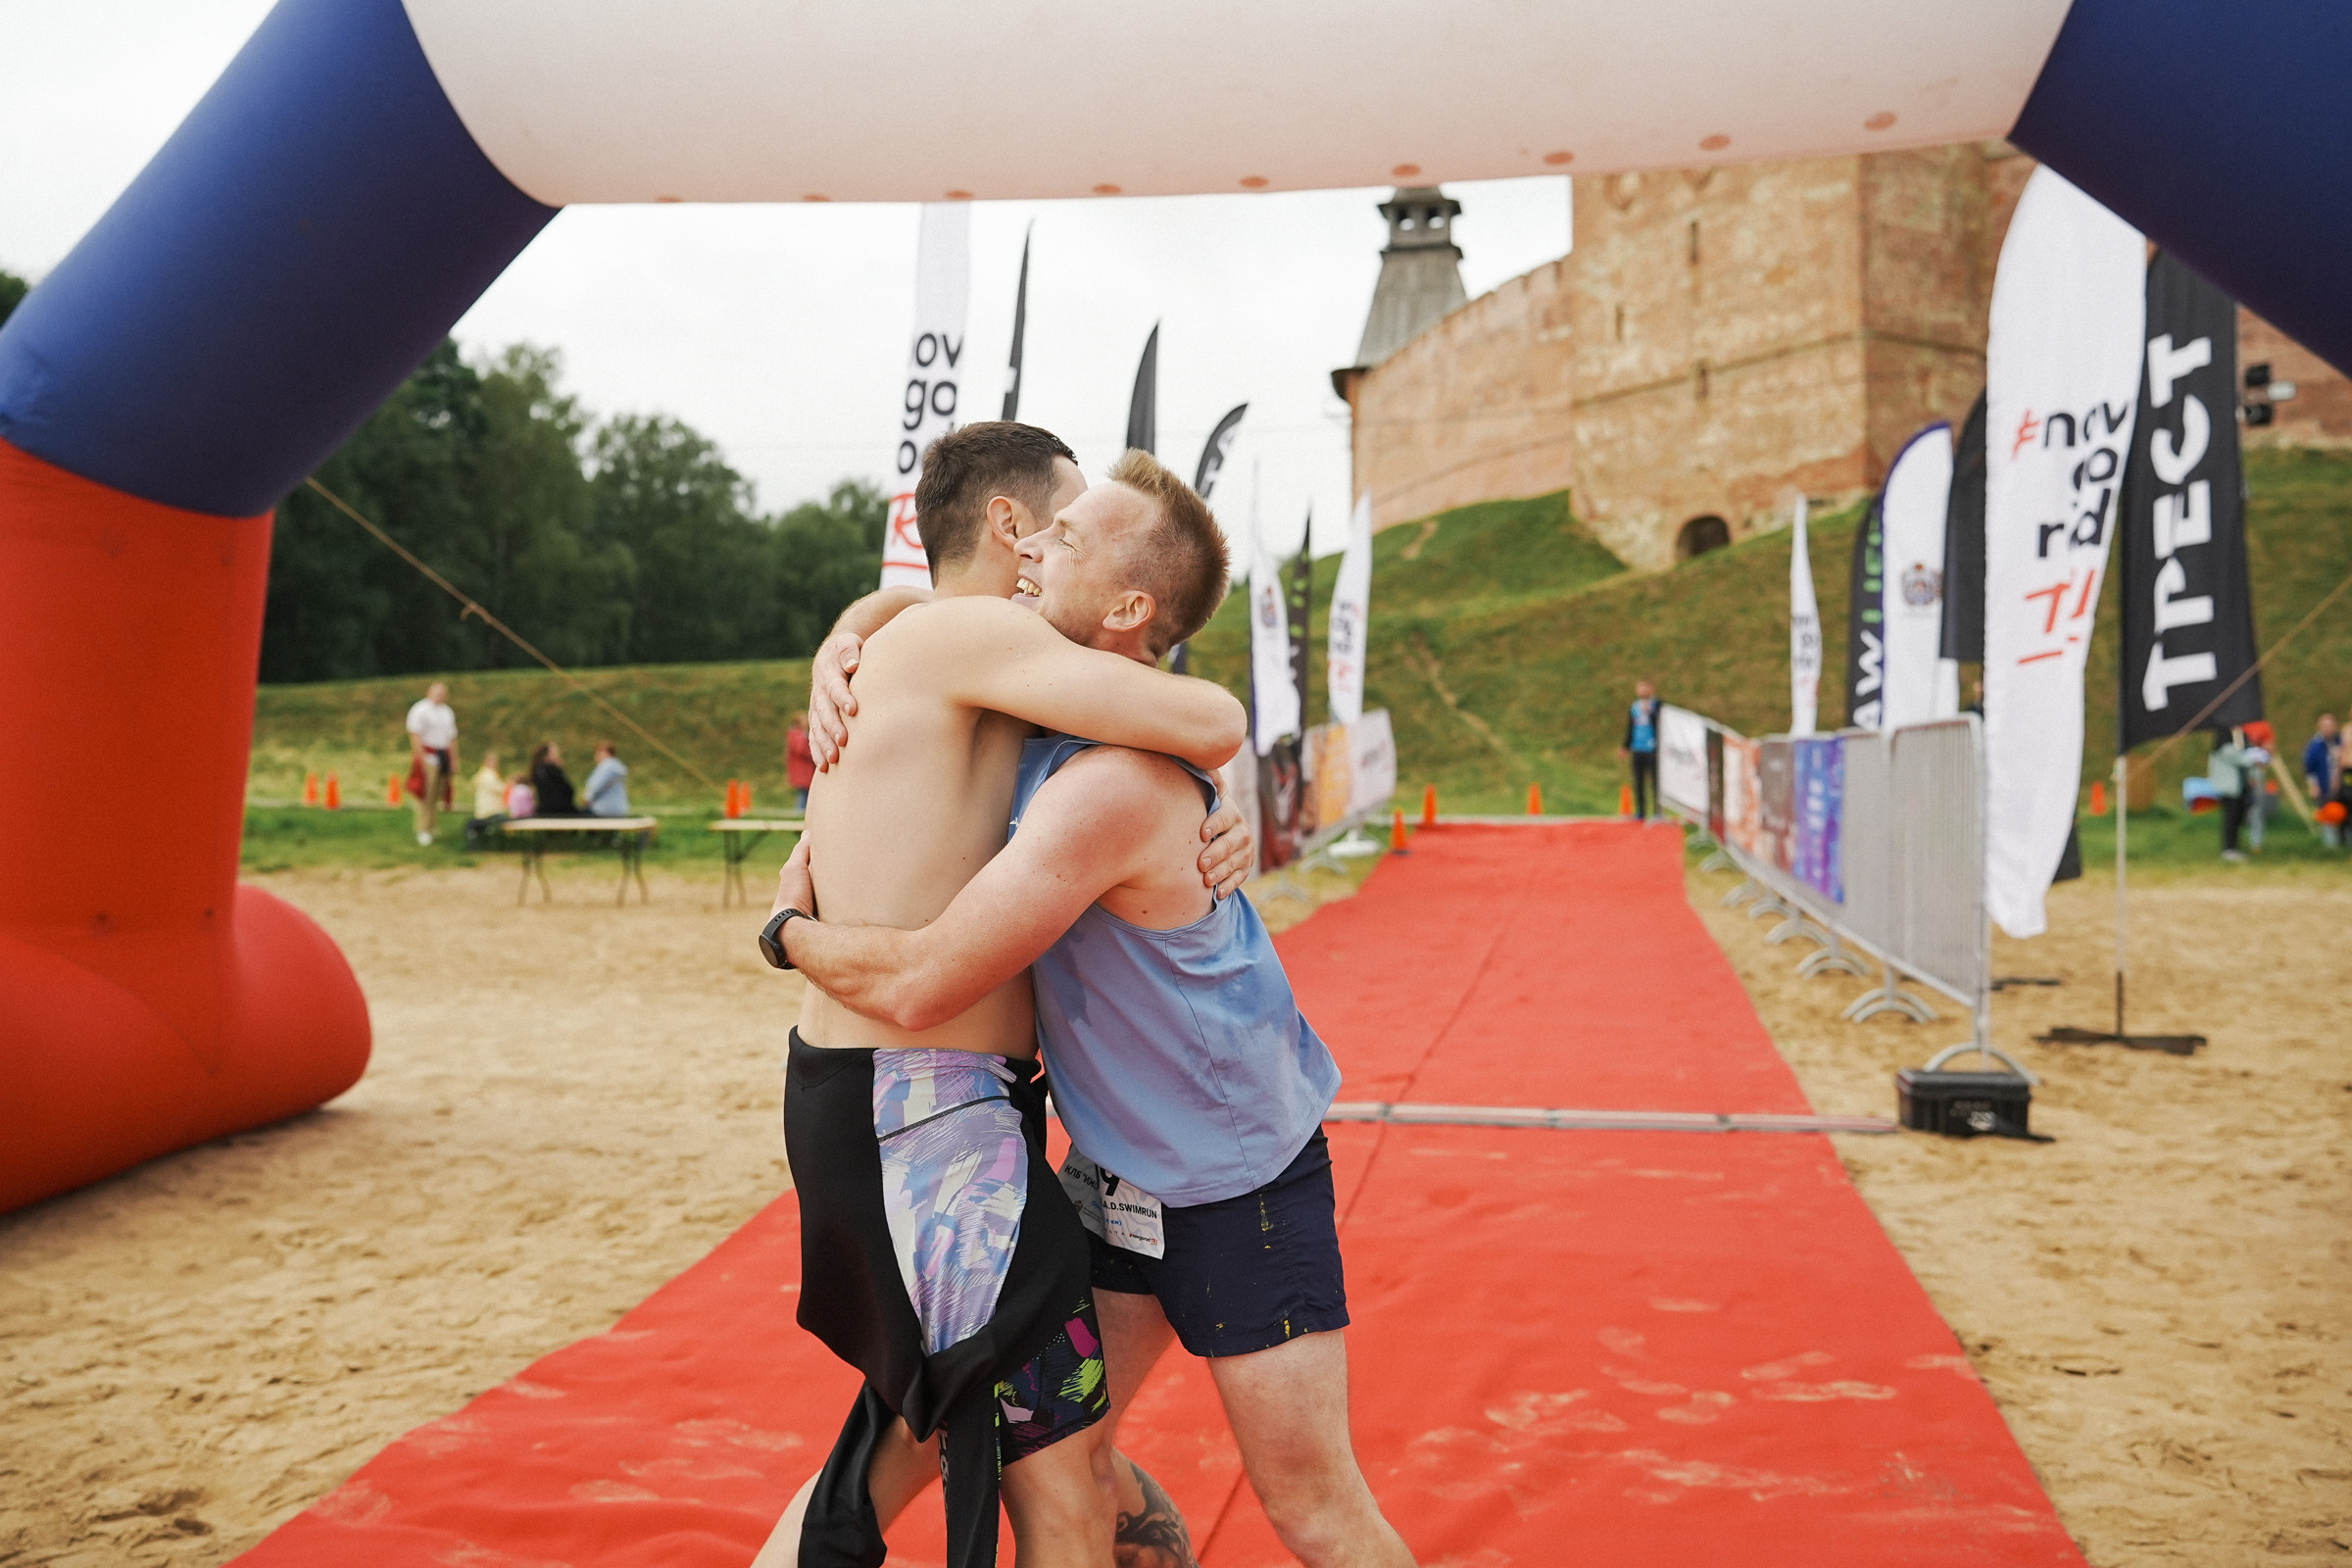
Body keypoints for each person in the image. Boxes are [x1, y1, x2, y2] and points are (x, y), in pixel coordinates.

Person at [768, 449, 1415, 1568]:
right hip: (1113, 1181)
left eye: (1066, 538)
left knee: (1312, 1509)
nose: (1036, 547)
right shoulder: (1031, 713)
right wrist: (851, 627)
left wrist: (785, 929)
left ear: (1124, 604)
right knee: (1061, 1455)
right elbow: (934, 614)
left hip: (1236, 1185)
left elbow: (927, 978)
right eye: (1044, 528)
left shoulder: (1112, 782)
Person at [404, 681, 458, 846]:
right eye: (437, 692)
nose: (439, 696)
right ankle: (423, 829)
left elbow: (451, 738)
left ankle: (432, 826)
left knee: (437, 793)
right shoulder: (420, 710)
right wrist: (420, 757)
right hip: (429, 755)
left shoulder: (447, 712)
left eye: (442, 693)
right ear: (429, 692)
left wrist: (453, 759)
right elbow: (415, 734)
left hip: (442, 755)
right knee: (426, 793)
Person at [2210, 724, 2258, 862]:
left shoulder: (2243, 733)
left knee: (2239, 816)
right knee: (2230, 816)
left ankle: (2235, 847)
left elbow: (2247, 750)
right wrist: (2252, 759)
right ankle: (2228, 849)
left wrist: (2252, 774)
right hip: (2229, 784)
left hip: (2242, 783)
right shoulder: (2223, 733)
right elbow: (2230, 754)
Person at [1619, 678, 1661, 820]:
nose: (1643, 691)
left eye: (1645, 687)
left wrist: (1651, 713)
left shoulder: (1658, 706)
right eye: (1640, 688)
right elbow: (1631, 727)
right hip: (1638, 748)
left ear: (1651, 689)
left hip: (1653, 748)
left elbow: (1663, 725)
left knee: (1656, 781)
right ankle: (1641, 811)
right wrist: (1626, 746)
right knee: (1638, 781)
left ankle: (1658, 811)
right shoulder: (1635, 707)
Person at [2242, 720, 2277, 852]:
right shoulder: (2237, 724)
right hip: (2237, 771)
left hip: (2256, 771)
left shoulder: (2263, 726)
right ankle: (2234, 845)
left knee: (2256, 806)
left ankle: (2255, 843)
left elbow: (2270, 749)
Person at [2305, 714, 2339, 847]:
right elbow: (2309, 767)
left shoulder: (2340, 741)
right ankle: (2331, 846)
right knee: (2327, 815)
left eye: (2330, 725)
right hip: (2323, 785)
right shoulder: (2315, 746)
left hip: (2339, 784)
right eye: (2325, 726)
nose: (2328, 729)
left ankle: (2344, 843)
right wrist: (2313, 785)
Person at [464, 752, 508, 850]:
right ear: (486, 762)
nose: (495, 763)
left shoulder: (483, 774)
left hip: (484, 812)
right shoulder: (489, 775)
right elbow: (501, 789)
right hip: (491, 813)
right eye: (492, 761)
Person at [529, 742, 578, 816]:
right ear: (547, 755)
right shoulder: (551, 770)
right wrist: (559, 769)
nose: (558, 755)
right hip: (559, 811)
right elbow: (568, 790)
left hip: (546, 809)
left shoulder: (538, 770)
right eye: (555, 752)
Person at [582, 741, 631, 817]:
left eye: (598, 753)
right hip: (619, 809)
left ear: (607, 753)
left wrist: (586, 800)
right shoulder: (617, 767)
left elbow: (595, 787)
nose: (596, 756)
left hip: (602, 810)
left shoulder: (606, 767)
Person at [786, 720, 815, 811]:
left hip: (802, 770)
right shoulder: (799, 736)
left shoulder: (794, 735)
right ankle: (800, 811)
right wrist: (814, 754)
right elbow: (801, 750)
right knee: (804, 793)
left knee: (805, 793)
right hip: (803, 771)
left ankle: (802, 811)